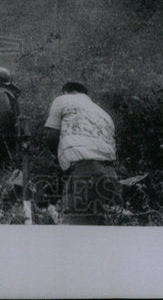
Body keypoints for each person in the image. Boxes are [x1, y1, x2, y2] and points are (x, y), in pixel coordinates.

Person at [43, 81, 120, 224]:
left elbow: (51, 136)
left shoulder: (62, 100)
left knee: (75, 231)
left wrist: (58, 157)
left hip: (84, 172)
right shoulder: (103, 113)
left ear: (65, 92)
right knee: (103, 230)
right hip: (110, 174)